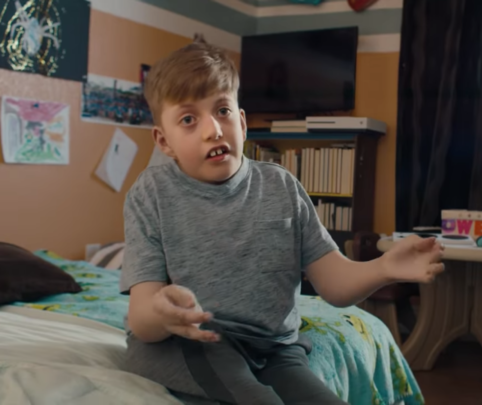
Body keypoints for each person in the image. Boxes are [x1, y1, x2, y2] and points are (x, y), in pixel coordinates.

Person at [119, 40, 445, 405]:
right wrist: (162, 313)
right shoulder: (151, 193)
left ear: (242, 122)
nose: (213, 130)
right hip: (192, 340)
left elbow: (334, 284)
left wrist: (384, 268)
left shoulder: (280, 186)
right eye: (189, 119)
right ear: (164, 141)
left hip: (274, 347)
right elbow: (142, 319)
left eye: (223, 110)